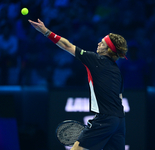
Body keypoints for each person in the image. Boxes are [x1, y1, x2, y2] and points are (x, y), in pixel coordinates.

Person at [28, 19, 128, 150]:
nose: (99, 43)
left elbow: (67, 45)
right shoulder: (117, 71)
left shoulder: (95, 60)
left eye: (102, 43)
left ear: (108, 49)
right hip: (120, 121)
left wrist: (45, 31)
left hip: (105, 119)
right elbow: (119, 98)